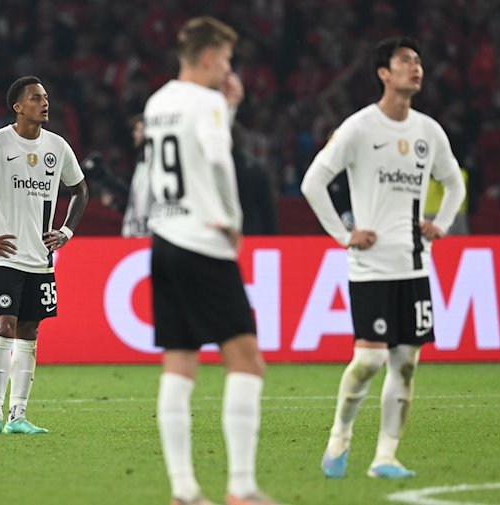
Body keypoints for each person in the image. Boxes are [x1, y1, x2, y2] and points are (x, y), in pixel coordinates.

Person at [300, 37, 466, 479]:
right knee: (370, 360)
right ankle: (340, 436)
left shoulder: (429, 132)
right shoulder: (359, 128)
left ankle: (386, 457)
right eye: (405, 61)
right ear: (384, 74)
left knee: (406, 363)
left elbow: (455, 183)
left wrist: (442, 223)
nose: (416, 68)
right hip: (371, 267)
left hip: (414, 264)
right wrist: (343, 235)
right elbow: (313, 182)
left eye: (419, 61)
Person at [144, 17, 280, 505]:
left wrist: (230, 108)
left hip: (164, 240)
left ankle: (184, 490)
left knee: (179, 364)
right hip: (204, 240)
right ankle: (241, 487)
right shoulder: (207, 102)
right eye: (225, 59)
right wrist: (233, 219)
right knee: (246, 361)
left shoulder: (158, 102)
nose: (228, 69)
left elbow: (191, 154)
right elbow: (218, 161)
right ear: (207, 58)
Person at [0, 75, 89, 435]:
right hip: (5, 257)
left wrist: (67, 231)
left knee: (30, 330)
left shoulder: (57, 147)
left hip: (41, 260)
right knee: (4, 326)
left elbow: (80, 190)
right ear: (18, 107)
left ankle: (18, 416)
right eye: (36, 98)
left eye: (46, 97)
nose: (45, 103)